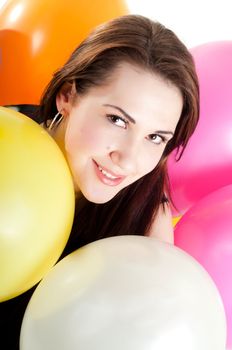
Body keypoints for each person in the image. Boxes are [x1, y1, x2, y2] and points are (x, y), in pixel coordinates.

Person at [1, 14, 199, 349]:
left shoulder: (146, 217)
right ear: (68, 96)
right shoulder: (6, 143)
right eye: (117, 120)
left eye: (154, 137)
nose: (128, 158)